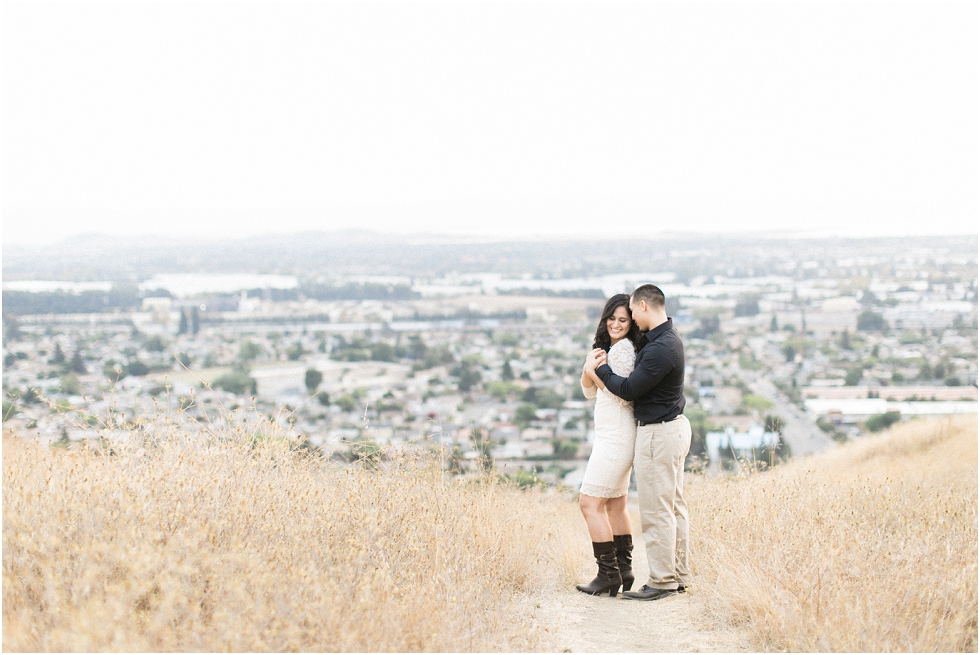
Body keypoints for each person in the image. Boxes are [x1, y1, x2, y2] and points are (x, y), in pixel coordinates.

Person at [584, 284, 691, 602]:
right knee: (672, 507)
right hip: (668, 428)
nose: (626, 321)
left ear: (642, 307)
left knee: (658, 510)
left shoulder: (659, 348)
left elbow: (628, 390)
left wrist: (598, 368)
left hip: (659, 432)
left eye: (629, 314)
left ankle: (662, 581)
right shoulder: (663, 340)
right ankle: (678, 575)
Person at [574, 294, 641, 597]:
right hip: (614, 436)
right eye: (611, 318)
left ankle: (608, 573)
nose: (616, 323)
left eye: (623, 320)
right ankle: (623, 569)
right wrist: (589, 368)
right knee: (615, 504)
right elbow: (589, 392)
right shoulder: (612, 349)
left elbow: (623, 394)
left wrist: (596, 372)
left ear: (631, 324)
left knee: (589, 503)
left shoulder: (624, 350)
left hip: (616, 438)